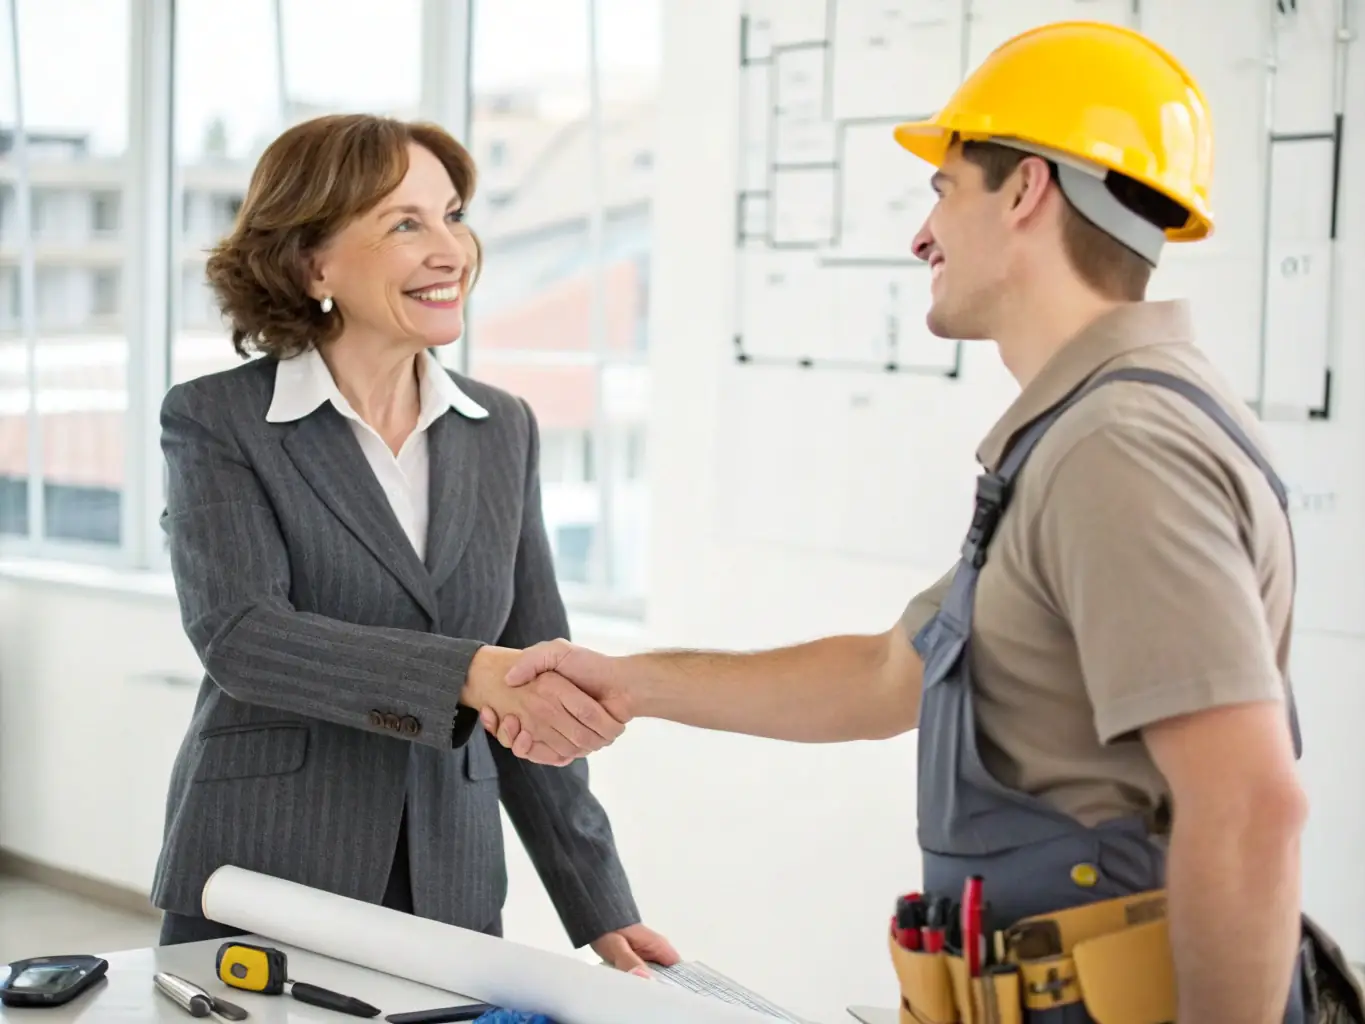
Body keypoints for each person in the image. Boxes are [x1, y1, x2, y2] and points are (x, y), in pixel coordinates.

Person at [482, 21, 1365, 1022]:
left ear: (1027, 190)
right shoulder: (1081, 437)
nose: (922, 234)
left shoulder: (1120, 447)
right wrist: (630, 683)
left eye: (944, 188)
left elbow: (1250, 809)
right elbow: (888, 672)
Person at [151, 112, 678, 976]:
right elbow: (243, 637)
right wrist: (467, 673)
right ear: (311, 260)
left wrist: (598, 904)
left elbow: (529, 667)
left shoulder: (500, 428)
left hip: (451, 878)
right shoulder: (218, 419)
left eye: (454, 215)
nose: (451, 249)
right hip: (269, 863)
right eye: (406, 224)